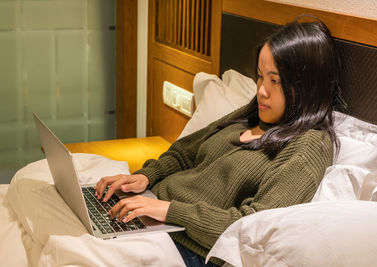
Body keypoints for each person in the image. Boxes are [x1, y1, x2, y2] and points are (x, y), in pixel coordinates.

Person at [95, 17, 343, 267]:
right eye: (259, 77)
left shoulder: (309, 145)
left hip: (186, 246)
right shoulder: (253, 114)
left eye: (274, 81)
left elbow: (251, 229)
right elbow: (183, 154)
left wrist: (167, 210)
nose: (261, 91)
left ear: (307, 86)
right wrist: (146, 177)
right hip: (151, 216)